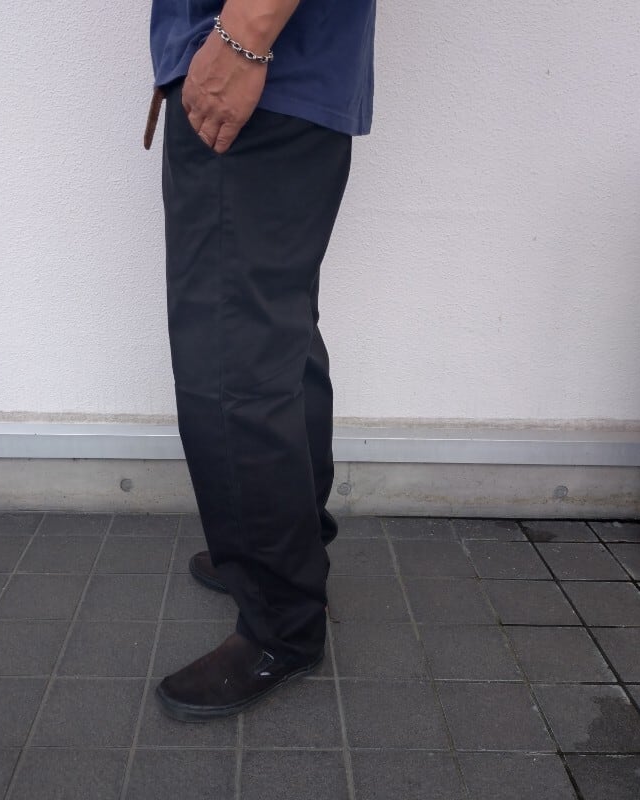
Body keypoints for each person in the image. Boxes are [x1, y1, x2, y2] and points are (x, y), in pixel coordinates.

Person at [148, 0, 376, 721]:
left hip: (256, 76)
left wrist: (243, 38)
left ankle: (281, 623)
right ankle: (289, 556)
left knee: (233, 364)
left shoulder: (248, 57)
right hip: (283, 83)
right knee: (275, 345)